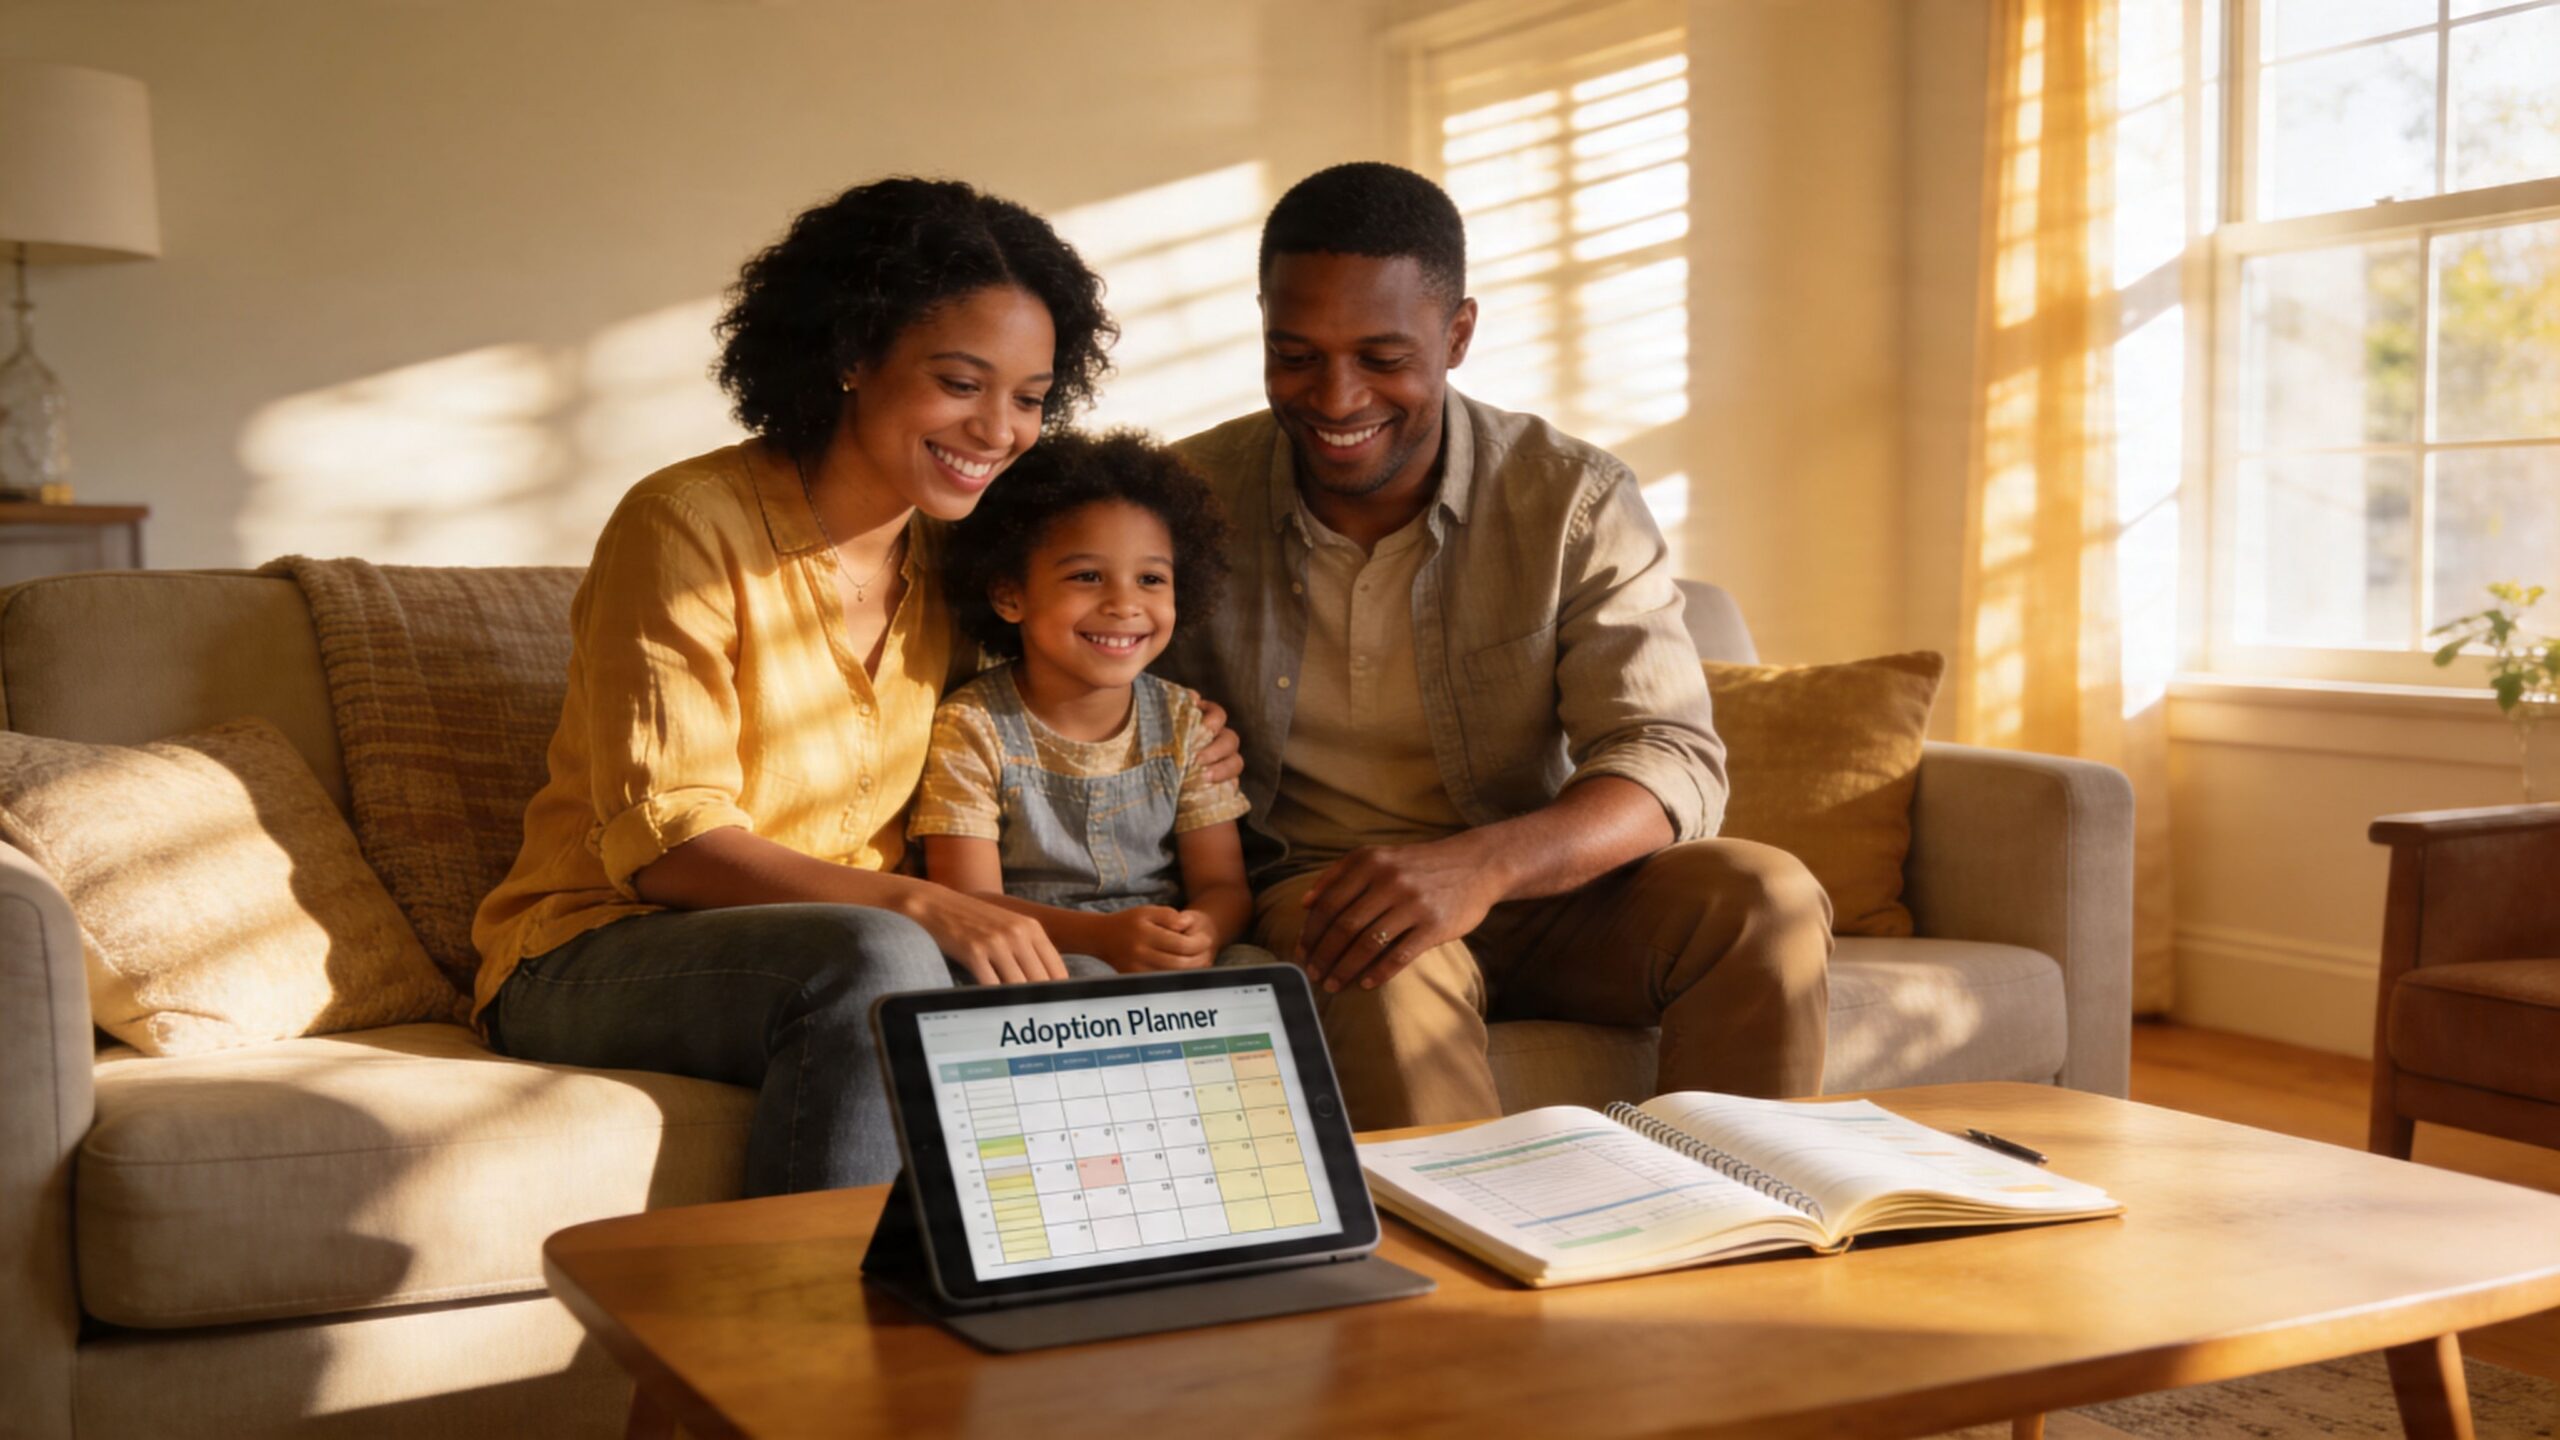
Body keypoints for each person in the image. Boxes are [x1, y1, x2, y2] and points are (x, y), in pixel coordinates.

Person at [471, 178, 1233, 1196]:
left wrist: (1173, 732)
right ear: (849, 353)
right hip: (598, 947)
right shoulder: (685, 526)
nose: (999, 429)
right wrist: (926, 908)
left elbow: (1037, 705)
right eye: (961, 383)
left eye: (1029, 398)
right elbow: (668, 846)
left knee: (1089, 989)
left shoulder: (959, 562)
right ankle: (814, 1342)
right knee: (877, 959)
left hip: (869, 936)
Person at [1159, 162, 1833, 1129]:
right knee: (1381, 949)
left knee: (1767, 893)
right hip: (1325, 888)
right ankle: (1490, 1258)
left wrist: (1483, 867)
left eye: (1382, 356)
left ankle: (1744, 1223)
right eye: (1296, 355)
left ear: (1458, 334)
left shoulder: (1570, 497)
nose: (1336, 398)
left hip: (1545, 885)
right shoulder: (1186, 502)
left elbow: (1669, 755)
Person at [912, 429, 1266, 971]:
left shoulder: (1184, 724)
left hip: (1159, 949)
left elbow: (1223, 886)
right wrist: (1101, 938)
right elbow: (968, 902)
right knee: (1086, 973)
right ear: (1010, 595)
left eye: (1150, 578)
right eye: (1087, 576)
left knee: (1253, 968)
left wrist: (1203, 930)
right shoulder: (974, 725)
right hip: (1034, 959)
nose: (1124, 604)